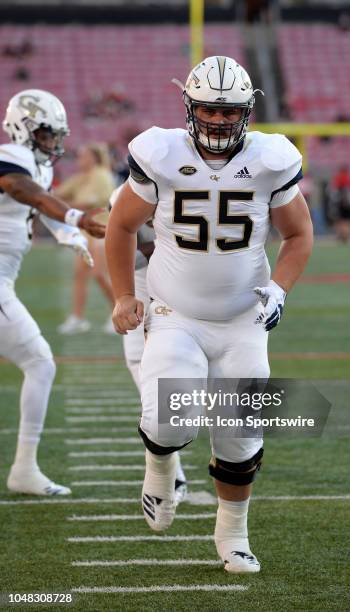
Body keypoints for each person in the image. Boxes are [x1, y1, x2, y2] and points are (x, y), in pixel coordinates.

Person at [106, 56, 313, 573]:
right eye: (209, 109)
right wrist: (121, 295)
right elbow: (121, 225)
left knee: (240, 435)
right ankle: (160, 468)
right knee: (169, 417)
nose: (219, 120)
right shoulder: (161, 154)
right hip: (176, 314)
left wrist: (280, 289)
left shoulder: (270, 158)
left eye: (230, 111)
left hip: (244, 320)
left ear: (246, 112)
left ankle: (233, 536)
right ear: (190, 108)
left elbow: (299, 235)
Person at [0, 89, 105, 495]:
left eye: (55, 134)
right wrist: (77, 218)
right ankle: (24, 468)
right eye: (46, 133)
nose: (52, 142)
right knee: (40, 362)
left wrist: (66, 232)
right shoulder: (14, 157)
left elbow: (37, 206)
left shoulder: (37, 167)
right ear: (23, 128)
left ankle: (25, 468)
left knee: (38, 363)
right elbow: (23, 191)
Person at [109, 185, 188, 504]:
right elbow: (128, 250)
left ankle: (176, 471)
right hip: (145, 289)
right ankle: (173, 472)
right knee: (145, 375)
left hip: (190, 290)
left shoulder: (194, 186)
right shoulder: (127, 195)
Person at [57, 144, 116, 334]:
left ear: (93, 158)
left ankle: (118, 312)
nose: (79, 161)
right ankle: (77, 318)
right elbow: (57, 194)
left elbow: (87, 203)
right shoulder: (82, 177)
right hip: (86, 234)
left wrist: (61, 206)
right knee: (80, 275)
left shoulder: (100, 175)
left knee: (99, 274)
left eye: (82, 156)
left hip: (101, 231)